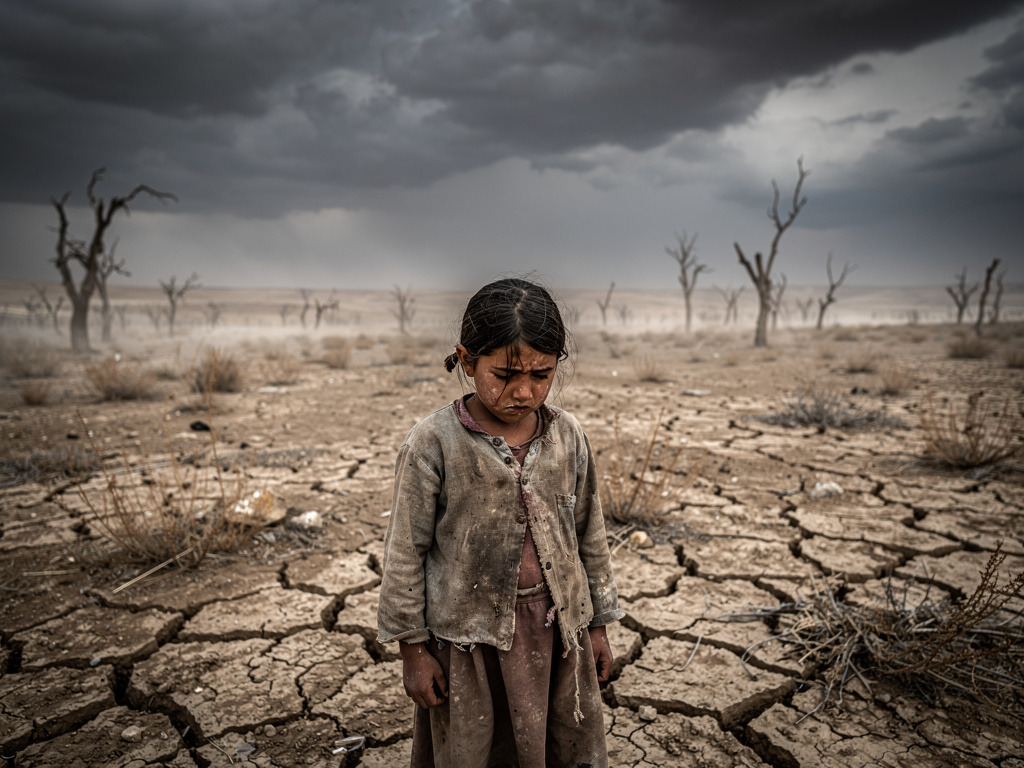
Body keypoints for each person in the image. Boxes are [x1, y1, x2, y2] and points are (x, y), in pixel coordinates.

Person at [377, 277, 623, 768]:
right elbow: (406, 550)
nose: (524, 390)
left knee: (560, 744)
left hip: (557, 633)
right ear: (467, 361)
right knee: (476, 749)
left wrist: (597, 624)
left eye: (542, 374)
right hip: (470, 641)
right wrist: (412, 649)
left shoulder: (567, 435)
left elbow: (589, 534)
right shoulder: (433, 443)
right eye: (505, 373)